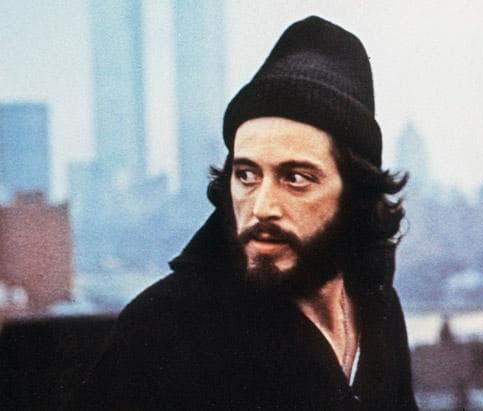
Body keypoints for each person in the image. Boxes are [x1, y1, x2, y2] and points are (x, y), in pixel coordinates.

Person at [67, 16, 418, 410]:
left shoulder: (377, 306)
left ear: (355, 192)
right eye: (247, 175)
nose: (262, 207)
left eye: (295, 178)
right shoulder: (166, 327)